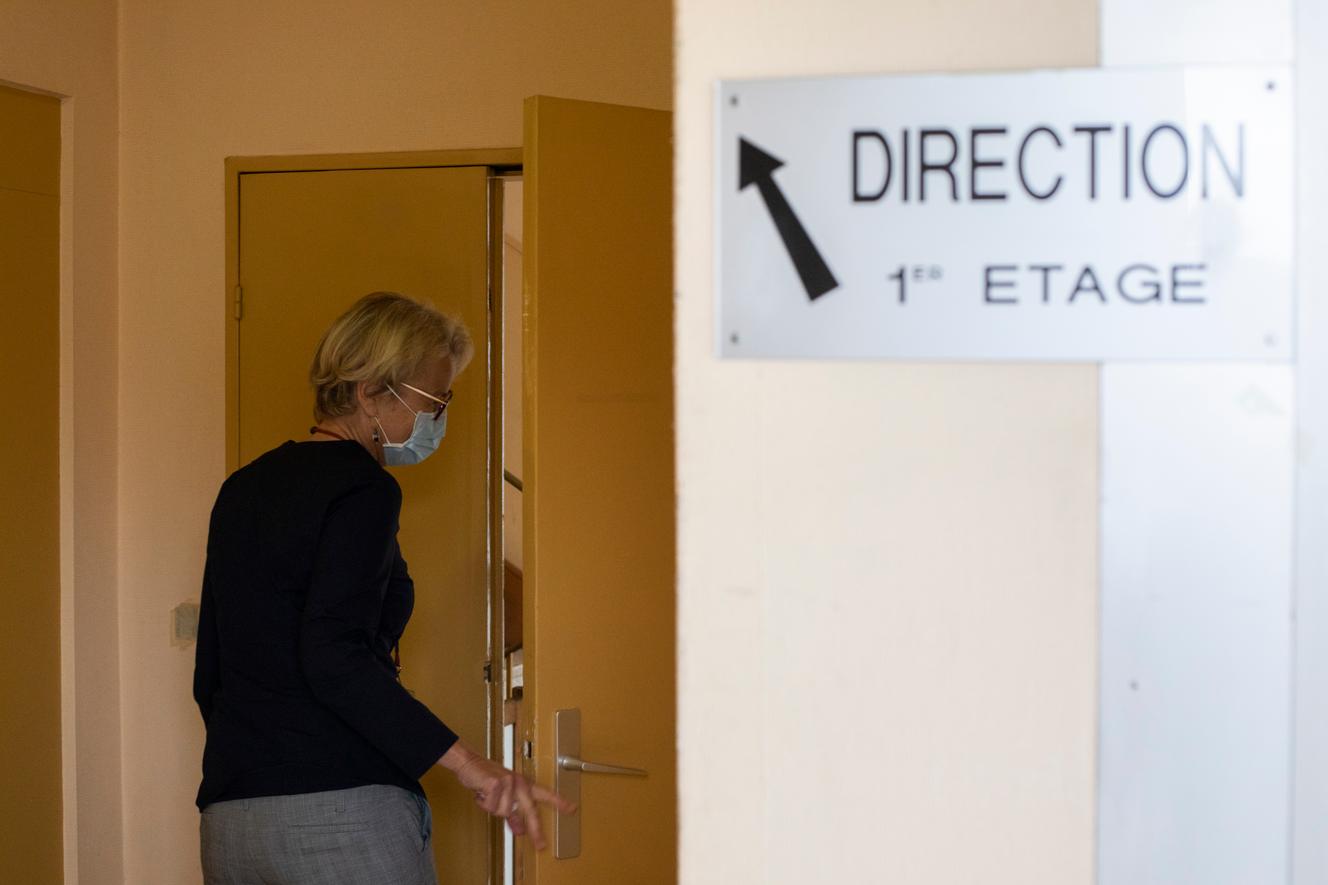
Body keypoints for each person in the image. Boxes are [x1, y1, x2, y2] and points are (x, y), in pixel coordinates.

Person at [193, 291, 571, 884]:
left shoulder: (242, 487)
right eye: (434, 399)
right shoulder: (363, 488)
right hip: (342, 816)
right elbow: (334, 655)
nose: (440, 417)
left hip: (233, 820)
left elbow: (209, 671)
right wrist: (473, 766)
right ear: (370, 391)